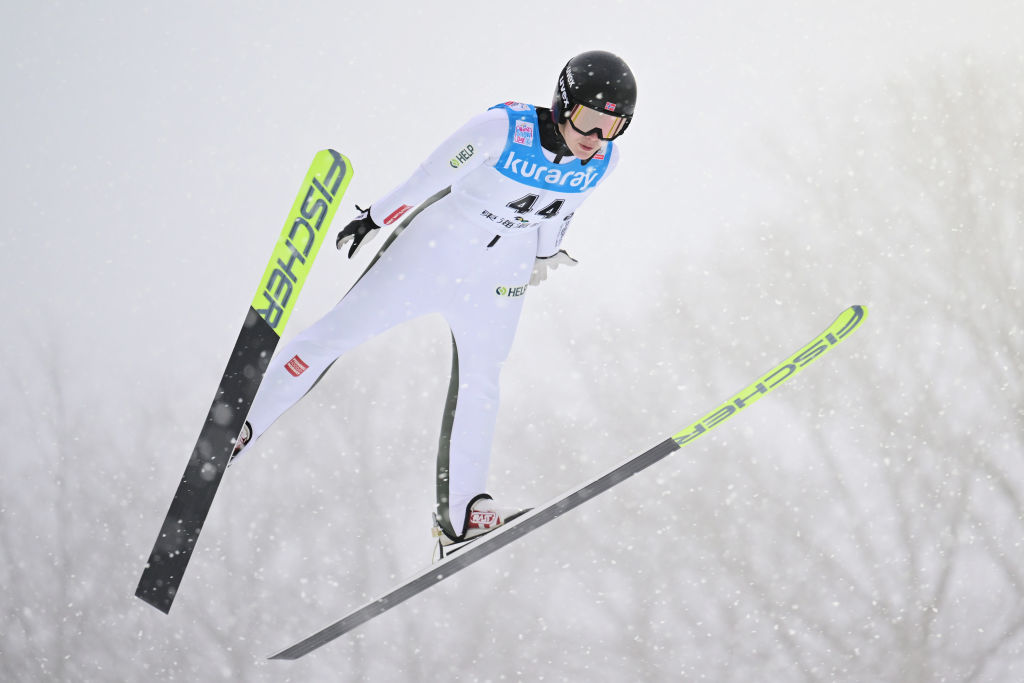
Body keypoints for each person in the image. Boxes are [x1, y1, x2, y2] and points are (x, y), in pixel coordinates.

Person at [233, 50, 637, 553]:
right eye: (589, 120)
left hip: (500, 270)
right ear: (563, 102)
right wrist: (376, 217)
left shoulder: (605, 161)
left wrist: (546, 254)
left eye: (612, 128)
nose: (596, 138)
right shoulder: (502, 129)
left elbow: (562, 212)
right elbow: (429, 176)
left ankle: (462, 514)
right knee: (337, 334)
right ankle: (243, 425)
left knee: (483, 379)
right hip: (435, 250)